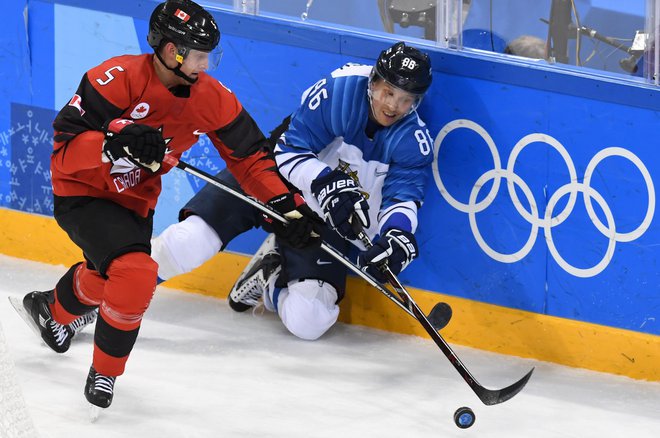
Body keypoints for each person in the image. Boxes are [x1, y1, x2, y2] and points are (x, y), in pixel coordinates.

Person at [15, 0, 321, 410]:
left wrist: (286, 204)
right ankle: (105, 371)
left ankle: (53, 309)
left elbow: (250, 158)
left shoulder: (210, 97)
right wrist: (111, 142)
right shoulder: (117, 77)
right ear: (169, 49)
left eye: (209, 54)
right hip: (83, 193)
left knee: (114, 280)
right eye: (198, 55)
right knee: (137, 275)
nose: (206, 65)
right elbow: (63, 153)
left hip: (135, 203)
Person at [152, 41, 434, 341]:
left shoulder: (413, 141)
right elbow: (287, 152)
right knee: (187, 242)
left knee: (309, 320)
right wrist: (327, 183)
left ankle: (271, 276)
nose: (392, 106)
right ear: (373, 81)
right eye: (388, 92)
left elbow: (402, 199)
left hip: (322, 220)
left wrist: (397, 235)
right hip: (271, 180)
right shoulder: (339, 92)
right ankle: (105, 291)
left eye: (405, 100)